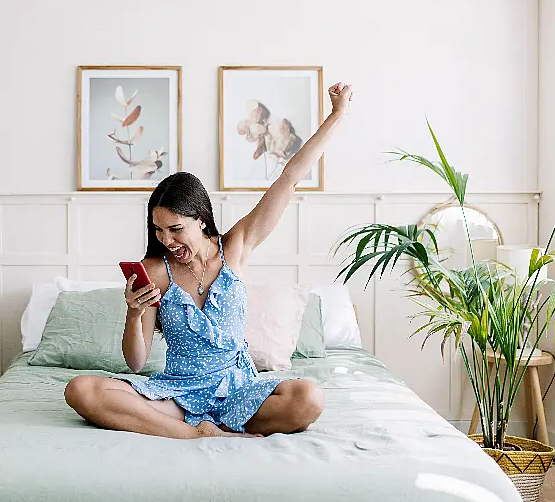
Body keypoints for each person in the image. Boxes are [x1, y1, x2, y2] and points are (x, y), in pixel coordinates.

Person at [65, 82, 353, 438]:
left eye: (176, 229)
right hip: (177, 396)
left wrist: (337, 115)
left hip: (238, 392)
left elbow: (290, 177)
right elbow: (136, 363)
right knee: (81, 389)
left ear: (201, 219)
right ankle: (194, 433)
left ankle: (206, 425)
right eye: (158, 230)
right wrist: (134, 312)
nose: (166, 241)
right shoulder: (156, 270)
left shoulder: (236, 248)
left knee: (309, 397)